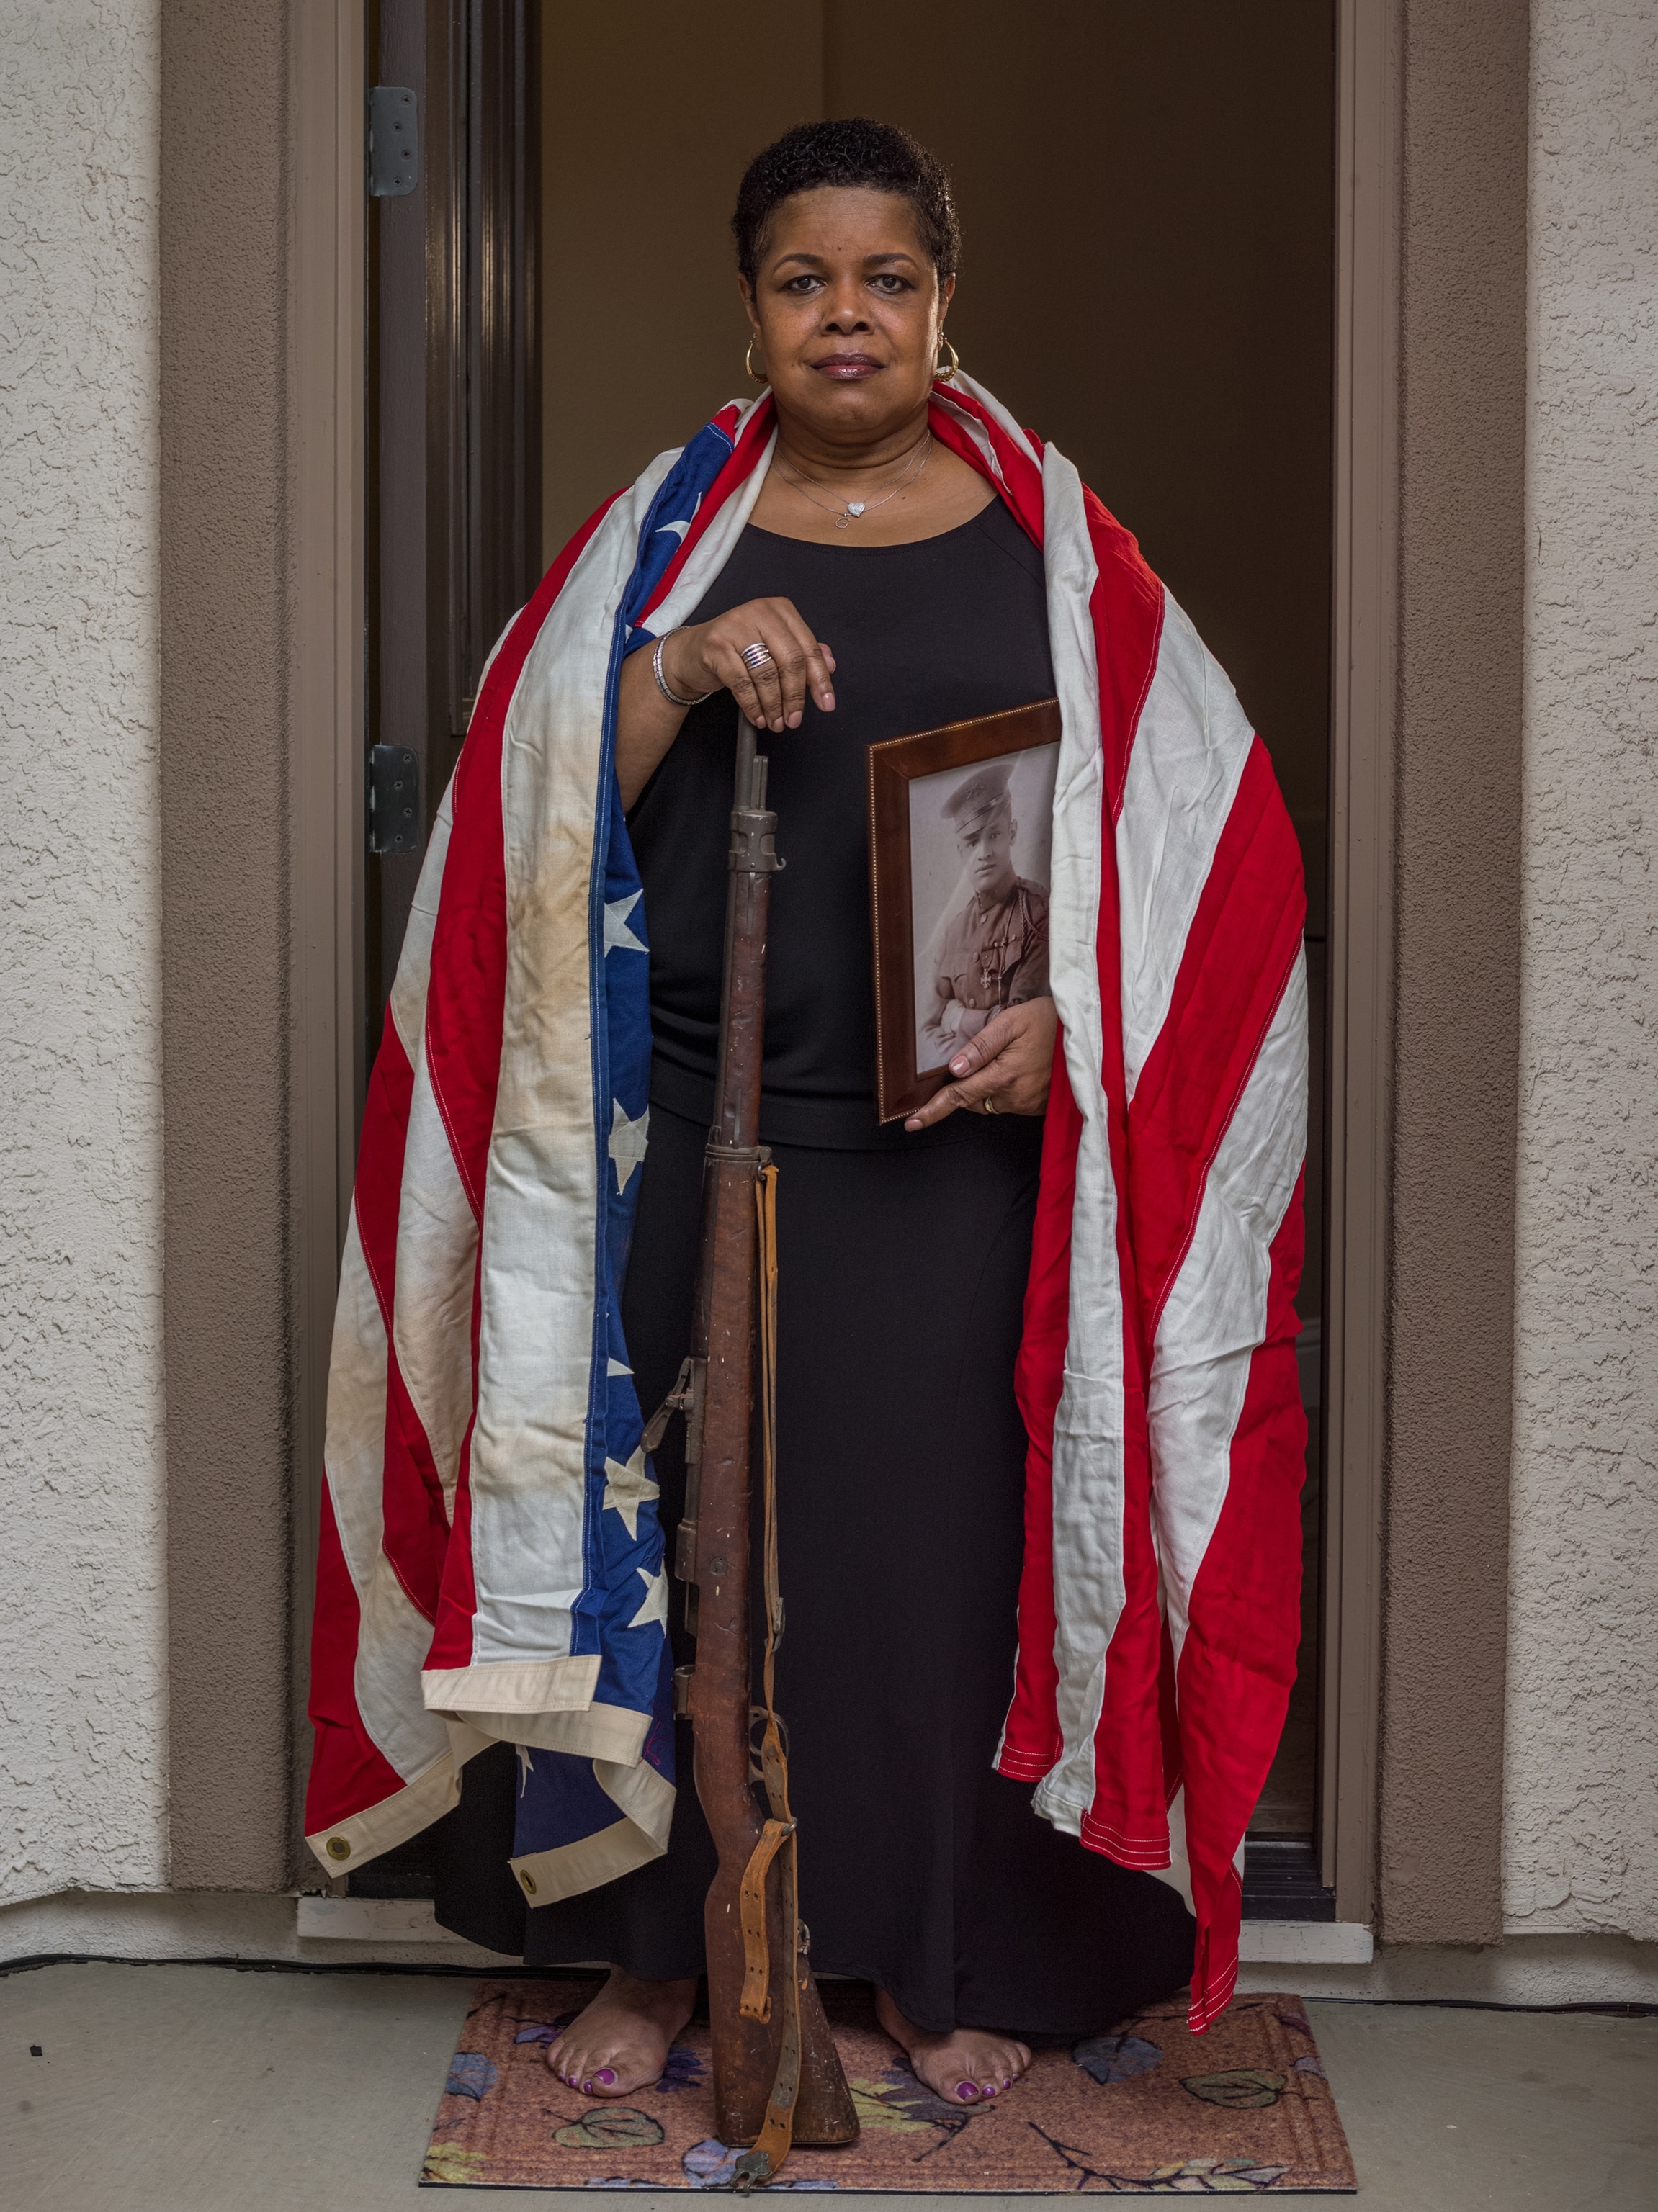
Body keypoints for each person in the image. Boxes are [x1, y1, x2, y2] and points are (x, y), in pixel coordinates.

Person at [315, 113, 1306, 2124]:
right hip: (685, 1132)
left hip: (950, 1155)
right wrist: (675, 671)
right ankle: (657, 1948)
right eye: (800, 279)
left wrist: (1071, 1028)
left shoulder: (1062, 554)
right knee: (681, 1549)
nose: (842, 315)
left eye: (883, 278)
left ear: (942, 299)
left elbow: (1196, 859)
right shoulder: (662, 545)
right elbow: (524, 796)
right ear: (749, 305)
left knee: (921, 1571)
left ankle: (913, 1962)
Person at [918, 762, 1049, 1069]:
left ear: (1012, 832)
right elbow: (926, 1028)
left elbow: (1021, 1027)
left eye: (994, 834)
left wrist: (959, 1018)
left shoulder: (1037, 912)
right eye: (972, 842)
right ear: (961, 851)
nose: (984, 852)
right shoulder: (954, 931)